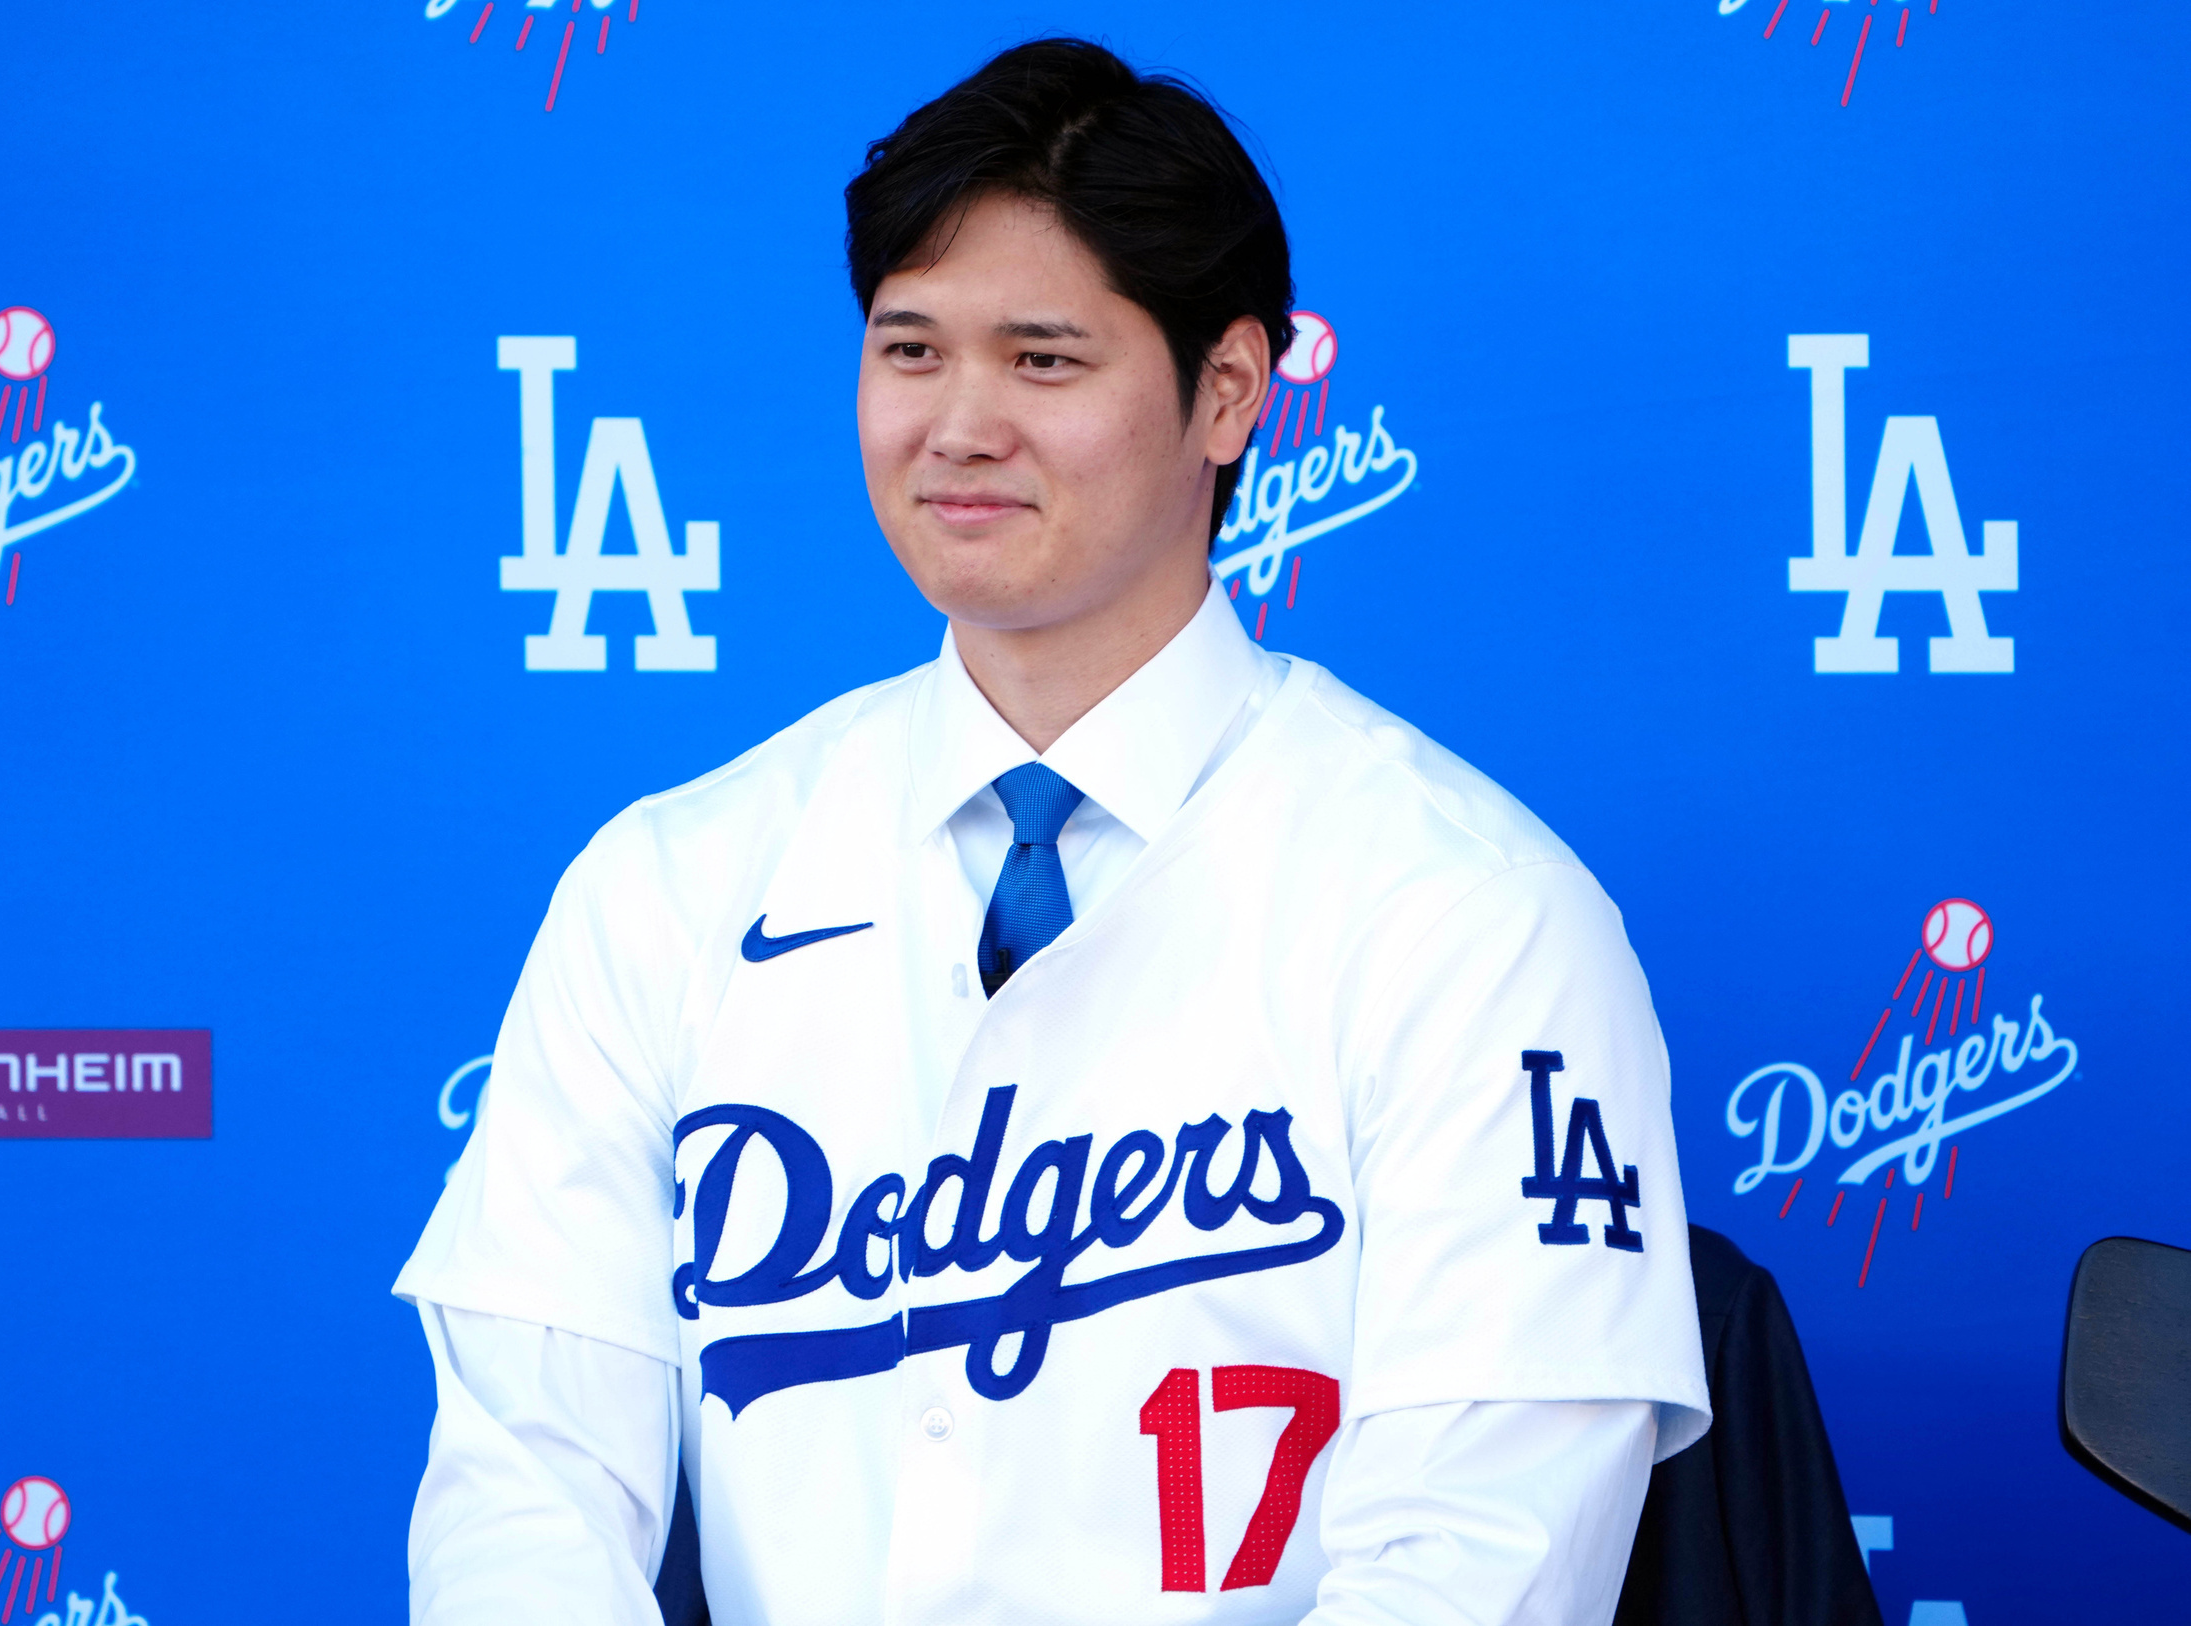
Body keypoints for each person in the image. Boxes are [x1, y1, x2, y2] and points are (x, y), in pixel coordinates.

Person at [396, 37, 1708, 1626]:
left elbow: (1479, 1557)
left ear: (1229, 390)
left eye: (1042, 360)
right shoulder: (669, 882)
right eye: (909, 350)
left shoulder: (1472, 911)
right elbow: (527, 1493)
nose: (956, 426)